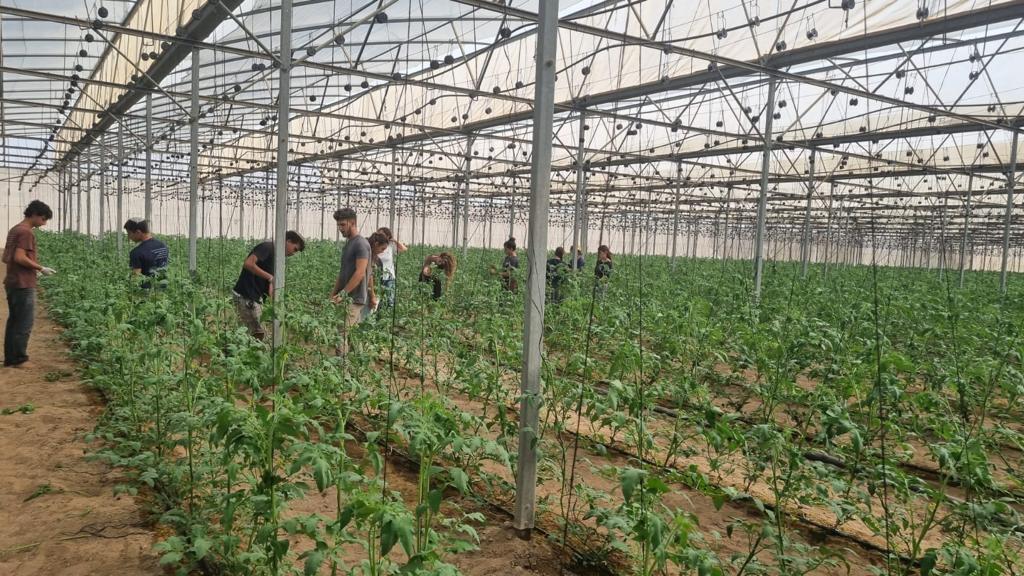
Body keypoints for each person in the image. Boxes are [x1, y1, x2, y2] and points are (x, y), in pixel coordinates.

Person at [2, 200, 54, 368]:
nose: (44, 223)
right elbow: (19, 257)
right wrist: (40, 268)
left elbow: (6, 258)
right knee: (24, 322)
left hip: (13, 281)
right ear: (35, 214)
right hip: (23, 284)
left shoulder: (15, 229)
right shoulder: (26, 233)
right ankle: (19, 359)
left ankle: (11, 358)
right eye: (43, 219)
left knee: (14, 321)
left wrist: (31, 269)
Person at [231, 231, 305, 340]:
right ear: (288, 241)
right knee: (259, 336)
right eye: (295, 249)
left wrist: (275, 299)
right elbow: (248, 263)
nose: (293, 253)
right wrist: (270, 278)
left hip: (254, 297)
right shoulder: (268, 247)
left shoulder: (276, 257)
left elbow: (270, 283)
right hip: (247, 296)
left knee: (251, 335)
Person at [330, 208, 371, 353]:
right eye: (338, 225)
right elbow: (342, 273)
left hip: (354, 298)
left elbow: (360, 273)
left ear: (353, 223)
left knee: (341, 335)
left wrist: (343, 294)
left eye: (343, 225)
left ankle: (341, 366)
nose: (340, 228)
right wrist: (334, 293)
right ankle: (359, 362)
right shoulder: (349, 244)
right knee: (354, 336)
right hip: (348, 297)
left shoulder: (360, 244)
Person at [123, 218, 169, 289]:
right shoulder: (163, 246)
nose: (129, 237)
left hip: (146, 292)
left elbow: (135, 279)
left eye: (129, 233)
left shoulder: (136, 252)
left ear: (138, 232)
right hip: (163, 289)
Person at [375, 227, 406, 308]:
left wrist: (394, 240)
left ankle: (388, 314)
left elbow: (404, 249)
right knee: (378, 300)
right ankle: (379, 314)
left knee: (390, 300)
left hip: (389, 277)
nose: (380, 236)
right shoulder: (375, 245)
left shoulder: (390, 246)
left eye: (382, 234)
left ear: (388, 236)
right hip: (377, 276)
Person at [367, 231, 391, 313]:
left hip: (372, 293)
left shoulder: (376, 259)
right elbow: (369, 276)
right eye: (382, 248)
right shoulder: (367, 257)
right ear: (376, 244)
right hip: (367, 294)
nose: (383, 251)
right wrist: (372, 296)